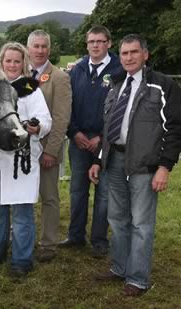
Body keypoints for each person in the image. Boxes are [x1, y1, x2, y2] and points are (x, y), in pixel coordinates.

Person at [89, 34, 181, 297]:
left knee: (141, 223)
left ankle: (138, 279)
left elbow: (175, 128)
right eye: (124, 53)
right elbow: (108, 126)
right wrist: (98, 159)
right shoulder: (116, 84)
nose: (128, 57)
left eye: (134, 52)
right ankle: (119, 267)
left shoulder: (163, 86)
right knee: (117, 218)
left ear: (145, 54)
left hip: (145, 165)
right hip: (114, 160)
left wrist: (165, 166)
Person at [0, 42, 52, 277]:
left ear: (24, 63)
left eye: (17, 61)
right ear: (1, 61)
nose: (12, 65)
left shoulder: (31, 90)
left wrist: (36, 127)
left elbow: (46, 120)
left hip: (21, 160)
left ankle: (21, 260)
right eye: (8, 60)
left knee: (21, 214)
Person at [62, 25, 123, 258]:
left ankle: (99, 239)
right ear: (86, 44)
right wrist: (74, 132)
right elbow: (68, 106)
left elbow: (120, 109)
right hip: (78, 140)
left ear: (109, 43)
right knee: (77, 189)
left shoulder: (119, 70)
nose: (95, 45)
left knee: (104, 192)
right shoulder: (77, 69)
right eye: (91, 42)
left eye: (100, 41)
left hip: (106, 141)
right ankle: (75, 235)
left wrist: (102, 137)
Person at [27, 30, 72, 262]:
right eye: (36, 46)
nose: (40, 50)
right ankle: (21, 238)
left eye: (44, 46)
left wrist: (51, 151)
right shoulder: (20, 73)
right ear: (28, 48)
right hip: (22, 151)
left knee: (49, 197)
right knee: (21, 197)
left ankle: (48, 243)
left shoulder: (60, 78)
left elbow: (61, 118)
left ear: (50, 49)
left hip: (46, 150)